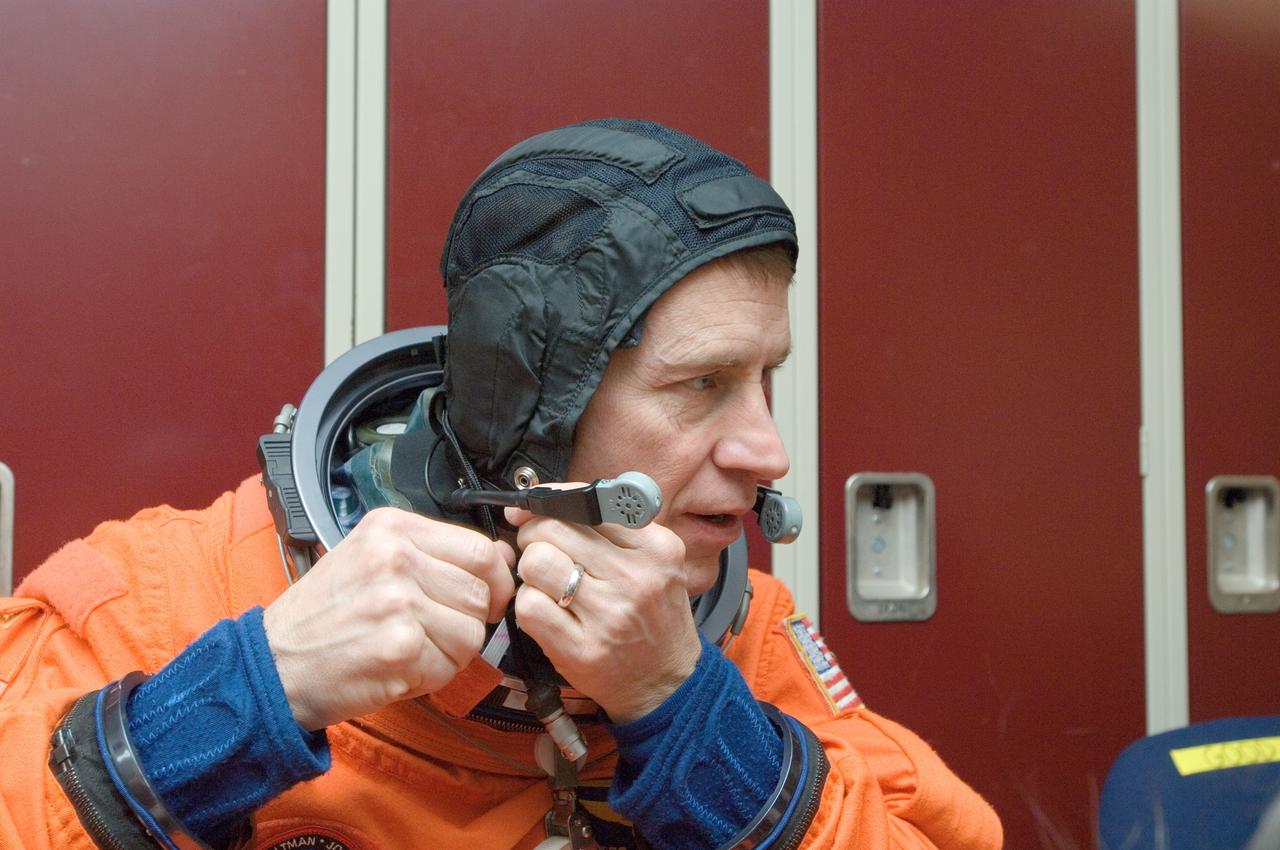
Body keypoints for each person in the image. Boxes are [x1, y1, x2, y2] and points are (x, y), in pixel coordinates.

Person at [0, 119, 1002, 850]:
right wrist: (254, 693)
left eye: (763, 379)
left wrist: (684, 711)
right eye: (701, 385)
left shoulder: (738, 640)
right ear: (530, 397)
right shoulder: (165, 597)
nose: (767, 451)